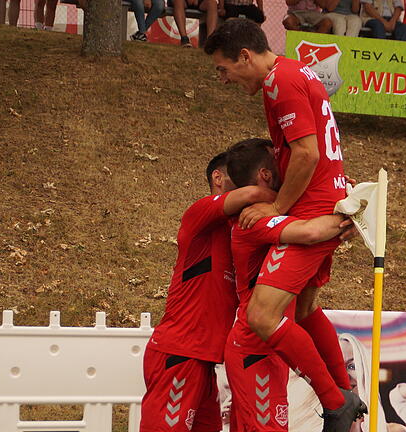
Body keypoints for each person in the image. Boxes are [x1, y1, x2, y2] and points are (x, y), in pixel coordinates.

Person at [203, 19, 367, 432]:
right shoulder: (296, 73)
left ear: (245, 55)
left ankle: (335, 401)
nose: (223, 80)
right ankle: (345, 392)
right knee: (307, 307)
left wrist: (278, 206)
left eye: (223, 69)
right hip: (327, 199)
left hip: (312, 205)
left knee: (261, 315)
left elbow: (307, 154)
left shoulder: (280, 81)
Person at [224, 138, 355, 432]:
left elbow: (307, 311)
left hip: (271, 348)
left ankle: (341, 396)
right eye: (280, 158)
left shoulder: (276, 211)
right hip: (253, 350)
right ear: (266, 175)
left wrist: (337, 194)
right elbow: (311, 232)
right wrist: (353, 213)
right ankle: (337, 400)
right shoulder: (253, 218)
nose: (289, 162)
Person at [140, 151, 276, 432]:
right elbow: (253, 192)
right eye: (235, 176)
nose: (243, 182)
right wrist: (302, 192)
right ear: (218, 178)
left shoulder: (242, 226)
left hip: (204, 360)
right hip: (180, 351)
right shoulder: (201, 212)